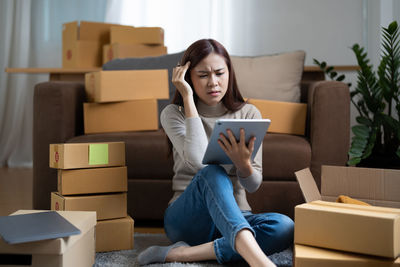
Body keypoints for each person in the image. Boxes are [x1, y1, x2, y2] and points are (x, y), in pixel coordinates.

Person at [138, 39, 293, 267]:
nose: (213, 82)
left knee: (285, 226)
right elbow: (198, 161)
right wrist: (188, 99)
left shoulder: (249, 113)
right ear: (188, 77)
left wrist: (244, 166)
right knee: (213, 172)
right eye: (202, 75)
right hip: (188, 220)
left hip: (236, 216)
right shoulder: (174, 114)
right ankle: (260, 262)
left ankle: (181, 255)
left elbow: (252, 185)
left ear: (229, 73)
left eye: (220, 73)